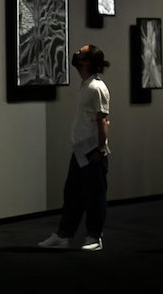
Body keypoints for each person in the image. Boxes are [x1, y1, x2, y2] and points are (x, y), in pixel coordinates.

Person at [39, 44, 111, 251]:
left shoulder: (97, 88)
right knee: (72, 194)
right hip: (81, 149)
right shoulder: (86, 85)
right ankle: (63, 235)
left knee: (95, 196)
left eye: (80, 53)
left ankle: (94, 238)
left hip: (92, 151)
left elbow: (103, 121)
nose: (76, 55)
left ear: (87, 61)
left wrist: (100, 149)